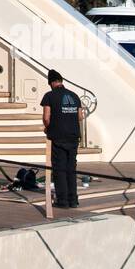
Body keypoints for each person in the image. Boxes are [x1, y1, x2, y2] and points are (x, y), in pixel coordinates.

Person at [41, 69, 82, 209]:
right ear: (61, 81)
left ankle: (63, 200)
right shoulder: (74, 96)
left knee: (59, 169)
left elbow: (46, 118)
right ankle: (73, 200)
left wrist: (48, 128)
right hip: (73, 136)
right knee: (71, 168)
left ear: (51, 83)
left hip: (58, 136)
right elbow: (80, 117)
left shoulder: (49, 96)